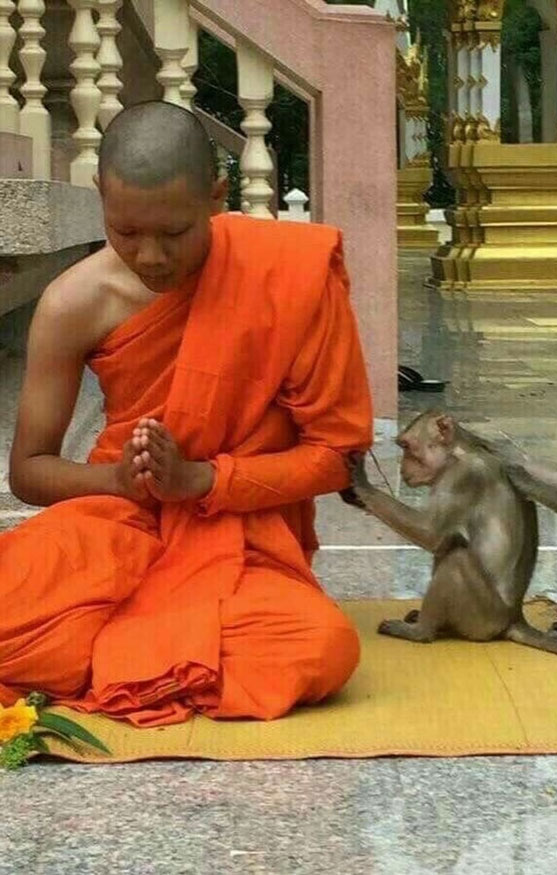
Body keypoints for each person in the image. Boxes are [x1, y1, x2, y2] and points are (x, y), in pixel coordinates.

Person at [0, 100, 373, 727]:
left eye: (174, 234)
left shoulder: (289, 274)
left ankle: (119, 657)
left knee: (321, 647)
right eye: (126, 232)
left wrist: (205, 481)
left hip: (240, 537)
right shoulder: (73, 303)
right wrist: (119, 481)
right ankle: (151, 657)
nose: (150, 257)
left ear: (216, 196)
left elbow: (338, 456)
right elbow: (30, 472)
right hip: (119, 520)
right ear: (101, 197)